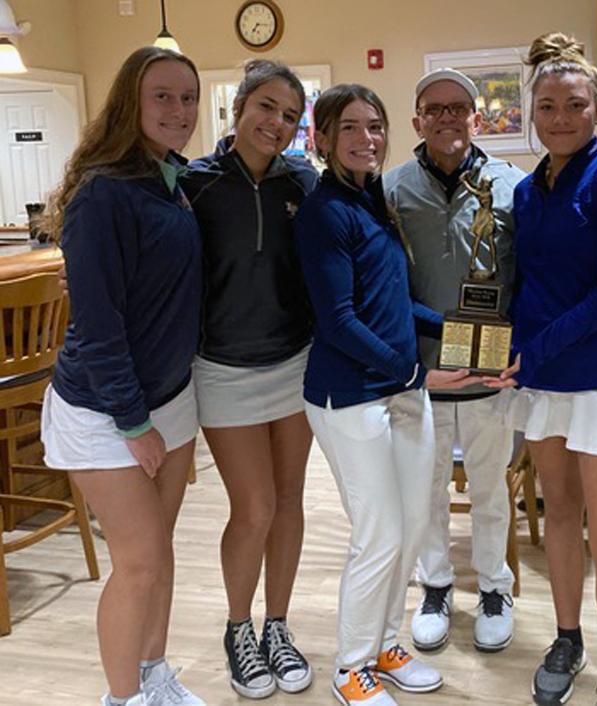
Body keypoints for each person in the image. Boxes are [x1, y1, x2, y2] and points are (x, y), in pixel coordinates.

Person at [294, 83, 478, 706]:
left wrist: (461, 333)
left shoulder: (373, 200)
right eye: (350, 127)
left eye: (375, 126)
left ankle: (385, 646)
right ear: (321, 138)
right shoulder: (325, 213)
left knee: (412, 525)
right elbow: (339, 321)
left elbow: (393, 304)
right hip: (348, 400)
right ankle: (351, 668)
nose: (367, 138)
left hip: (398, 393)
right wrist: (416, 376)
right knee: (378, 535)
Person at [491, 32, 597, 706]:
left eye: (575, 105)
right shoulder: (529, 191)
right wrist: (503, 353)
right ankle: (568, 635)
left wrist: (538, 348)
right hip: (543, 383)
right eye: (548, 107)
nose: (560, 118)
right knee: (558, 514)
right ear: (532, 114)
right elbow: (527, 284)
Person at [39, 46, 204, 706]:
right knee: (136, 563)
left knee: (158, 554)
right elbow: (100, 329)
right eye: (162, 96)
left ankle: (154, 676)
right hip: (107, 410)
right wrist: (133, 423)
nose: (179, 110)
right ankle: (122, 698)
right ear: (130, 102)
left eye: (188, 98)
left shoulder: (172, 179)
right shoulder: (104, 194)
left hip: (170, 396)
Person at [179, 60, 318, 699]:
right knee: (255, 506)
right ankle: (240, 627)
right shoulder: (194, 183)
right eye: (267, 106)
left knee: (289, 502)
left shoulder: (303, 181)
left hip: (294, 362)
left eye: (291, 115)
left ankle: (277, 627)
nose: (277, 123)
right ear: (239, 107)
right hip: (224, 369)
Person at [384, 67, 526, 654]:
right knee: (427, 488)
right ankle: (436, 584)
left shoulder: (513, 185)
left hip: (492, 370)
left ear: (476, 117)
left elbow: (531, 275)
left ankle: (495, 586)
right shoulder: (390, 190)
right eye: (434, 108)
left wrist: (523, 345)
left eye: (458, 107)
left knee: (491, 487)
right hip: (423, 371)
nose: (447, 117)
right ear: (417, 120)